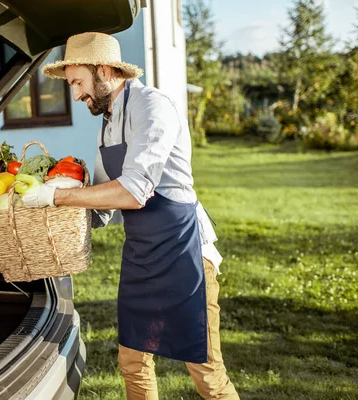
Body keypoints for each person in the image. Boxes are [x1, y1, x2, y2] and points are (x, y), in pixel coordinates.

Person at [22, 32, 239, 400]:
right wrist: (51, 224)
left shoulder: (153, 108)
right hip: (142, 255)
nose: (75, 95)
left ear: (104, 71)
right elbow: (104, 205)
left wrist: (57, 197)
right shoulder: (106, 125)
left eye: (77, 82)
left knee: (206, 371)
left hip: (186, 252)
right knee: (133, 362)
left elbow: (134, 192)